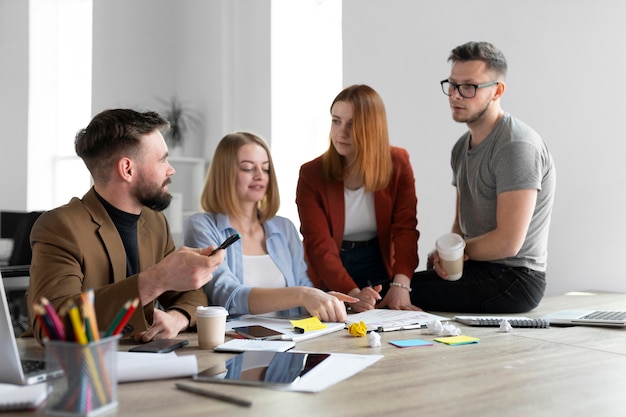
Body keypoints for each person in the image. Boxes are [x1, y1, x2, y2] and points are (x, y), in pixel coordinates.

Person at [26, 109, 225, 345]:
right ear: (127, 169)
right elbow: (51, 326)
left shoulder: (155, 222)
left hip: (140, 364)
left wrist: (177, 317)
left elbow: (191, 293)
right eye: (162, 160)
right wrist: (155, 280)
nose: (170, 170)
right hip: (78, 370)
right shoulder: (60, 226)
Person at [411, 41, 556, 313]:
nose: (455, 95)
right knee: (396, 289)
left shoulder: (516, 146)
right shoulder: (460, 148)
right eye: (452, 85)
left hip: (517, 279)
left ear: (497, 91)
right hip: (478, 269)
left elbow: (509, 242)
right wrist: (447, 255)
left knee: (400, 292)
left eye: (469, 87)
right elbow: (460, 224)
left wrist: (456, 252)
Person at [183, 132, 355, 322]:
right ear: (224, 174)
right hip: (233, 343)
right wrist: (303, 295)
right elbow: (226, 296)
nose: (259, 176)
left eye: (265, 169)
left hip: (289, 340)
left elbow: (302, 284)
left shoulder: (285, 228)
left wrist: (322, 300)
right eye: (248, 168)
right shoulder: (202, 226)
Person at [296, 84, 420, 313]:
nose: (341, 132)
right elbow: (318, 244)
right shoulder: (311, 174)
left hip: (378, 262)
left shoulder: (398, 163)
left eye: (352, 124)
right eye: (336, 121)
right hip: (330, 267)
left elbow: (405, 229)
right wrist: (354, 296)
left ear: (372, 128)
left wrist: (402, 284)